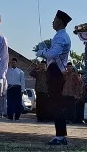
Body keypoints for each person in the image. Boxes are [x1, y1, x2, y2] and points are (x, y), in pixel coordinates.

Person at [36, 10, 72, 146]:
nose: (52, 22)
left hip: (56, 72)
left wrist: (42, 52)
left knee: (56, 104)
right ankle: (60, 134)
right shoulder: (60, 36)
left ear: (60, 22)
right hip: (56, 71)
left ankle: (60, 136)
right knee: (56, 104)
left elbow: (54, 53)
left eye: (54, 20)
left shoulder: (61, 36)